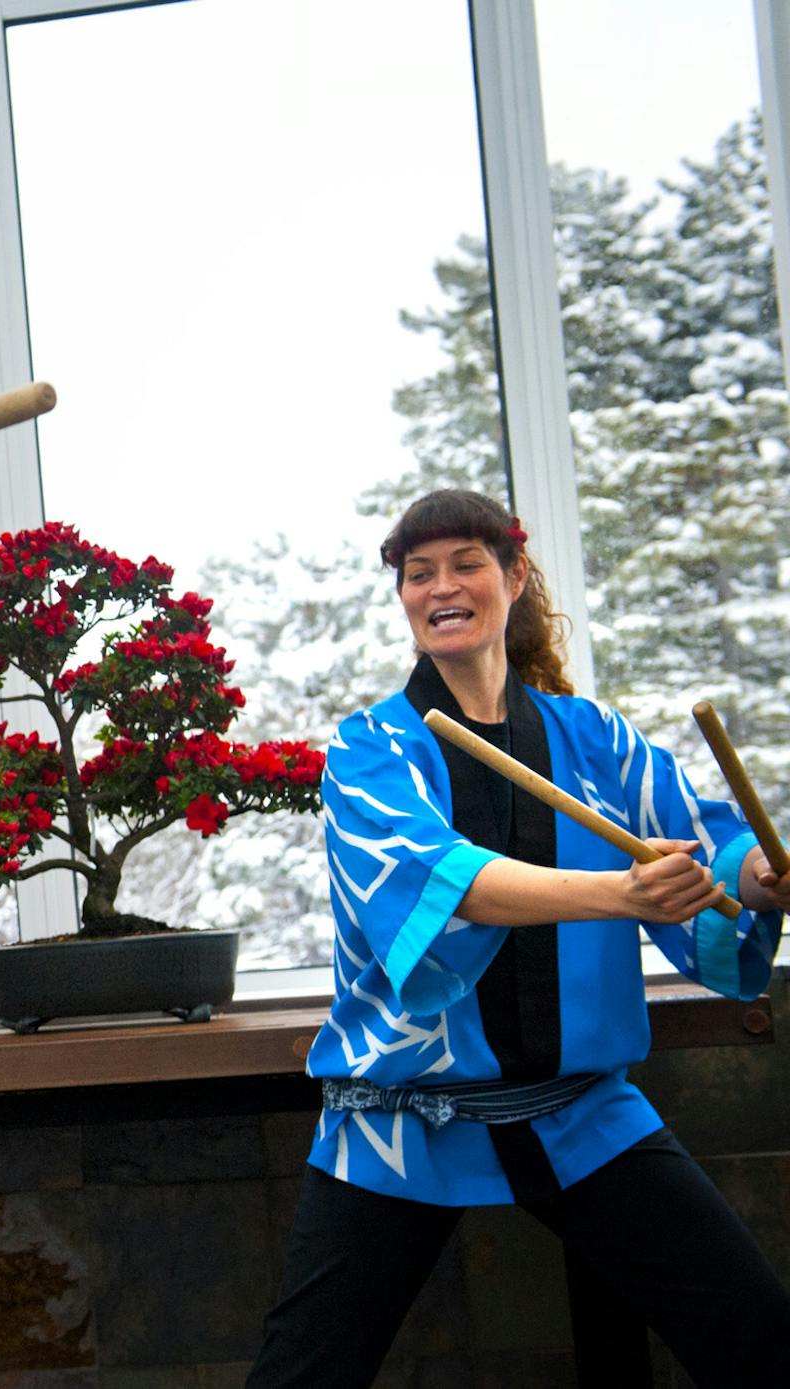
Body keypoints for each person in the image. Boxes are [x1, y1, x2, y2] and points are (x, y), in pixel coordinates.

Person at [246, 489, 790, 1387]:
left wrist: (758, 874)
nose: (441, 587)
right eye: (419, 573)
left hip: (583, 1112)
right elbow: (445, 882)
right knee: (304, 1375)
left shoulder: (591, 735)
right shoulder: (370, 750)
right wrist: (623, 893)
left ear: (515, 575)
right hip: (401, 1122)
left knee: (756, 1334)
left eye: (465, 563)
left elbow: (695, 831)